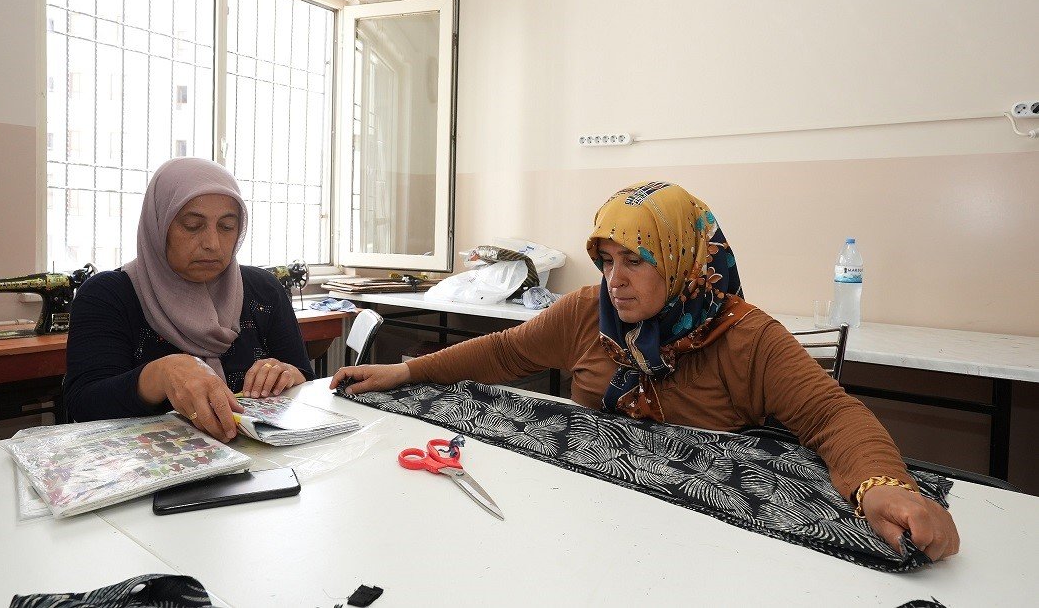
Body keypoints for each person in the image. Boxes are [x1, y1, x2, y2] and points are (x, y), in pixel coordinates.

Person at [331, 181, 960, 561]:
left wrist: (882, 483)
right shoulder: (589, 312)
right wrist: (408, 370)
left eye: (636, 260)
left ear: (685, 259)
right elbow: (505, 353)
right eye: (606, 260)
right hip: (590, 514)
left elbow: (832, 415)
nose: (615, 280)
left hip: (701, 534)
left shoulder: (748, 337)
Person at [64, 157, 313, 442]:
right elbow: (84, 405)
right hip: (155, 471)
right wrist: (160, 375)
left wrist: (287, 374)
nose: (212, 243)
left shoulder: (264, 290)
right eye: (193, 226)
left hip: (264, 464)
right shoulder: (108, 295)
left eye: (227, 227)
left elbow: (305, 376)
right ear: (159, 225)